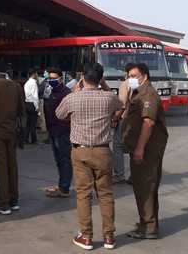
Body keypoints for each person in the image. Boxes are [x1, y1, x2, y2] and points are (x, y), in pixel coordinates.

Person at [56, 63, 123, 250]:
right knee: (106, 194)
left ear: (83, 77)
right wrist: (105, 86)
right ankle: (109, 236)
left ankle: (86, 236)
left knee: (84, 194)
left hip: (81, 151)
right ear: (101, 78)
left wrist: (77, 90)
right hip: (103, 151)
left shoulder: (73, 98)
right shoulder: (109, 97)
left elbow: (59, 115)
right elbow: (121, 106)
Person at [122, 63, 168, 240]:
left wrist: (140, 149)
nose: (130, 79)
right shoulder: (137, 92)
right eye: (128, 76)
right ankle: (147, 222)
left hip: (147, 149)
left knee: (145, 186)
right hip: (143, 147)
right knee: (144, 185)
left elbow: (148, 123)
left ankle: (148, 227)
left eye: (133, 75)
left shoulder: (148, 94)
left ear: (145, 76)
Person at [0, 65, 25, 215]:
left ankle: (3, 203)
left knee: (0, 166)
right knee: (11, 164)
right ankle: (14, 200)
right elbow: (22, 110)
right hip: (12, 130)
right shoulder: (16, 86)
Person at [43, 68, 73, 198]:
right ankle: (61, 185)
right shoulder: (49, 90)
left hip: (62, 131)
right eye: (50, 78)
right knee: (58, 160)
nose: (51, 81)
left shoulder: (66, 93)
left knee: (64, 159)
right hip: (52, 130)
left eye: (54, 78)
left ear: (61, 79)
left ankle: (65, 187)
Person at [114, 63, 136, 184]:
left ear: (126, 73)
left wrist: (116, 118)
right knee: (133, 146)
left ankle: (119, 174)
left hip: (124, 118)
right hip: (135, 119)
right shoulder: (136, 84)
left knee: (117, 145)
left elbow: (122, 104)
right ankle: (135, 175)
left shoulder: (125, 84)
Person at [23, 69, 39, 144]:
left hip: (27, 103)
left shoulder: (26, 83)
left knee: (28, 123)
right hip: (32, 104)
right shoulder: (34, 83)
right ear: (34, 74)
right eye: (36, 74)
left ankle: (25, 139)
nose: (37, 75)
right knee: (33, 123)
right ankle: (33, 139)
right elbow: (35, 96)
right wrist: (37, 107)